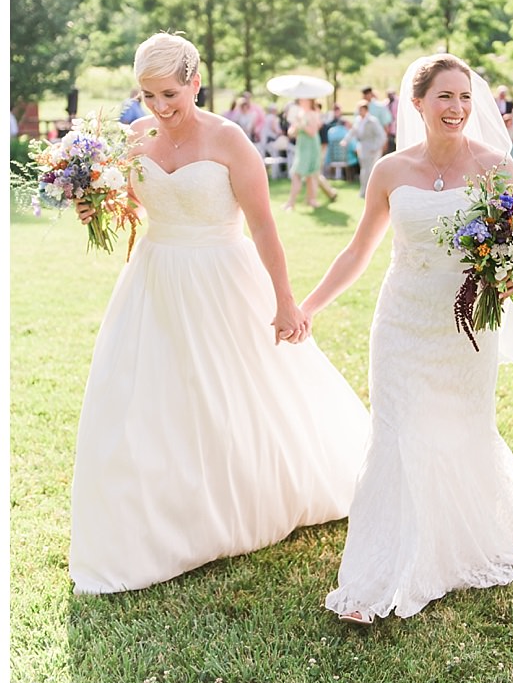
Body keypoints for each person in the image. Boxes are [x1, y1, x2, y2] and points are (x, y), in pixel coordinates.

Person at [69, 32, 369, 594]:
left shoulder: (230, 140)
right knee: (149, 397)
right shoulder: (134, 138)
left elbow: (263, 226)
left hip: (224, 278)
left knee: (241, 392)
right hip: (155, 278)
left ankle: (248, 495)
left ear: (195, 82)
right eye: (148, 94)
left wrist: (284, 300)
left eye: (170, 94)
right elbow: (128, 207)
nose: (159, 107)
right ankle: (164, 514)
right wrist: (93, 207)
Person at [300, 53, 513, 624]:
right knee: (397, 433)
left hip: (468, 329)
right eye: (444, 98)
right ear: (418, 104)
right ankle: (377, 574)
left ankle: (456, 540)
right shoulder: (389, 171)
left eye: (464, 97)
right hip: (402, 322)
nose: (457, 108)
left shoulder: (497, 165)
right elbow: (359, 251)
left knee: (458, 426)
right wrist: (307, 307)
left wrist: (509, 276)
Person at [282, 97, 333, 209]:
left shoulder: (313, 114)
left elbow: (312, 132)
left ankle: (295, 202)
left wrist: (301, 124)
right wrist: (295, 125)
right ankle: (307, 200)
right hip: (301, 146)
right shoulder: (299, 113)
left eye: (303, 99)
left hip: (311, 146)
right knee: (303, 174)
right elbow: (291, 132)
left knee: (304, 174)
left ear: (309, 100)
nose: (300, 100)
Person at [345, 100, 387, 197]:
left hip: (372, 149)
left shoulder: (372, 121)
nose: (360, 112)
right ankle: (364, 191)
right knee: (364, 170)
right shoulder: (358, 120)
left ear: (366, 110)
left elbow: (382, 136)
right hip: (363, 149)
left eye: (361, 110)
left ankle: (372, 192)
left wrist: (376, 147)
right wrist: (345, 140)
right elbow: (353, 132)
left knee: (370, 170)